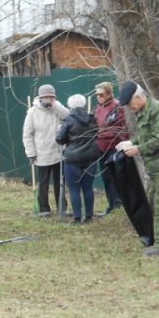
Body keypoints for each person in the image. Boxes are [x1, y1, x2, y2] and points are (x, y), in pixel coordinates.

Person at [116, 81, 159, 256]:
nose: (129, 107)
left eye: (130, 103)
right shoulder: (144, 111)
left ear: (138, 97)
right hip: (156, 168)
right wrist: (132, 142)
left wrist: (139, 149)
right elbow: (147, 134)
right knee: (154, 204)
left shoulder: (157, 110)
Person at [23, 84, 69, 217]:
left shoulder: (57, 108)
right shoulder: (32, 112)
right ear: (40, 98)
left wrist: (55, 106)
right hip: (42, 152)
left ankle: (62, 207)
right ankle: (44, 209)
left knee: (59, 181)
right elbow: (27, 134)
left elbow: (68, 116)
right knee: (43, 182)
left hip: (58, 151)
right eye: (45, 97)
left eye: (51, 97)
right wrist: (31, 153)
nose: (48, 99)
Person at [56, 94, 99, 224]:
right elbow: (97, 133)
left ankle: (77, 218)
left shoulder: (68, 120)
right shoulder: (92, 119)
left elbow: (59, 139)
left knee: (74, 189)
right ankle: (89, 217)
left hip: (73, 158)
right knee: (88, 187)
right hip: (91, 157)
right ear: (84, 104)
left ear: (70, 106)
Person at [93, 81, 128, 215]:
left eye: (101, 94)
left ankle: (120, 202)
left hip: (114, 146)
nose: (99, 97)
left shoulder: (117, 107)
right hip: (100, 147)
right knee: (106, 177)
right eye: (97, 95)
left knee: (117, 176)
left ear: (109, 94)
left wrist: (123, 146)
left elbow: (123, 128)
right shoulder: (97, 109)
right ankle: (111, 203)